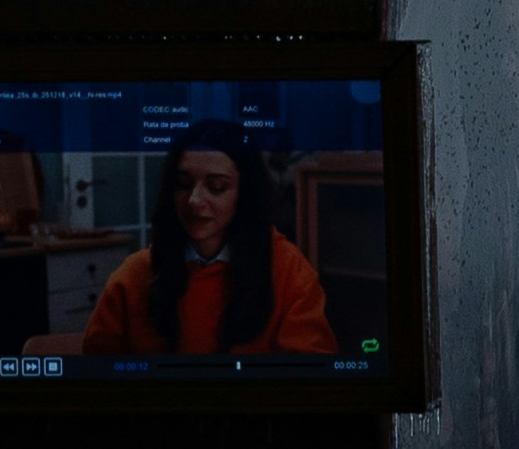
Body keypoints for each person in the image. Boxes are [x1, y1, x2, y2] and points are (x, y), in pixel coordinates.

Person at [59, 122, 337, 358]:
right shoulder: (133, 275)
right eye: (183, 184)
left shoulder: (288, 270)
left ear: (244, 194)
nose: (193, 200)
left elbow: (310, 378)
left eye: (216, 187)